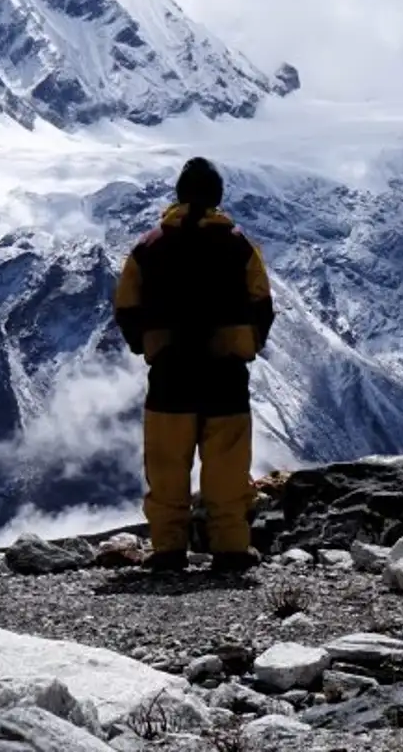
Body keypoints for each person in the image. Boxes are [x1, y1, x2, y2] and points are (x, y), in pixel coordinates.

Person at [113, 157, 275, 573]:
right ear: (218, 197)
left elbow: (127, 305)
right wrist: (248, 344)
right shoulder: (239, 246)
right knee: (226, 464)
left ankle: (168, 549)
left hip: (170, 373)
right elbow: (262, 303)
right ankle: (231, 548)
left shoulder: (149, 246)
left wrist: (146, 344)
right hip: (226, 373)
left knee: (167, 464)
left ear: (179, 195)